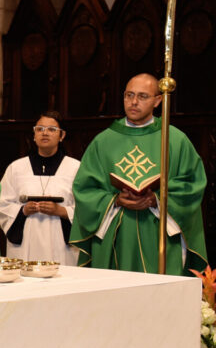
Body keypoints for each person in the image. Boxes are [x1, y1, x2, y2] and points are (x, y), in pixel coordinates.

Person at [70, 73, 207, 274]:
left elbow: (192, 185)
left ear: (158, 101)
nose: (133, 102)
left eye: (142, 96)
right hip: (116, 232)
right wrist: (115, 200)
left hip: (159, 230)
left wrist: (158, 199)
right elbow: (84, 189)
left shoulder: (175, 139)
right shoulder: (103, 141)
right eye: (129, 95)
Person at [0, 111, 80, 265]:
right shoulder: (16, 168)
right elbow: (2, 205)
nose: (45, 133)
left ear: (62, 136)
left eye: (51, 129)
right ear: (34, 135)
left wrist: (61, 211)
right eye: (40, 129)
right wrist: (23, 210)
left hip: (61, 244)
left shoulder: (75, 168)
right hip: (26, 244)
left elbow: (86, 207)